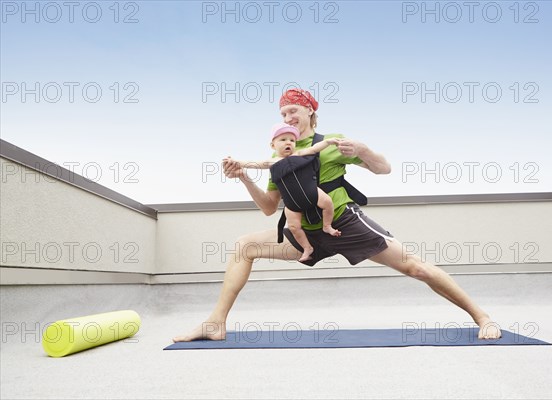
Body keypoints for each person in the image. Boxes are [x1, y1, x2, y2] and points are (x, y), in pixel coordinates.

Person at [173, 88, 501, 342]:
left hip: (344, 222)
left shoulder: (332, 143)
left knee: (415, 266)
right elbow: (269, 208)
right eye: (283, 113)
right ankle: (215, 323)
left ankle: (482, 317)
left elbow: (383, 169)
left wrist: (362, 150)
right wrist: (244, 177)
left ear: (310, 112)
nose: (288, 116)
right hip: (304, 235)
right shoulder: (277, 158)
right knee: (245, 246)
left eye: (294, 110)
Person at [224, 122, 342, 262]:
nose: (289, 143)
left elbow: (315, 148)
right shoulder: (272, 162)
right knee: (293, 226)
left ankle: (327, 226)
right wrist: (237, 162)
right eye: (283, 139)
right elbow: (254, 164)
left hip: (312, 192)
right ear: (273, 145)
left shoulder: (299, 153)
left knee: (328, 202)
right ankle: (307, 247)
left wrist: (328, 142)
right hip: (292, 202)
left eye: (292, 140)